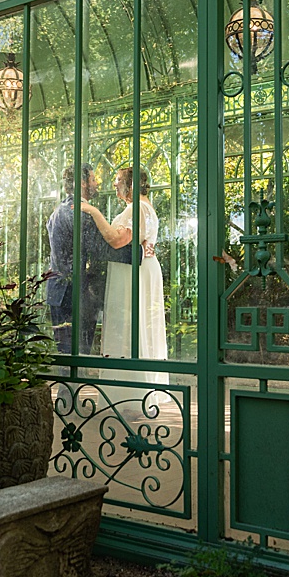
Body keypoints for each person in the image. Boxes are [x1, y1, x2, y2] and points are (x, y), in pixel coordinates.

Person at [79, 167, 170, 412]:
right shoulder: (145, 207)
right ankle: (140, 390)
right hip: (143, 267)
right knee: (138, 325)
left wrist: (93, 212)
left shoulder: (136, 208)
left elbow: (117, 240)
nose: (114, 185)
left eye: (118, 181)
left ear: (131, 184)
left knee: (129, 326)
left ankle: (130, 394)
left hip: (133, 271)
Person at [46, 164, 112, 355]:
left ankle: (67, 385)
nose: (96, 183)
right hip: (73, 293)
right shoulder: (80, 211)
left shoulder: (59, 210)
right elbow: (100, 250)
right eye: (93, 179)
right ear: (82, 183)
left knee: (66, 354)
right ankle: (71, 386)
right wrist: (138, 254)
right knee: (77, 355)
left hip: (58, 292)